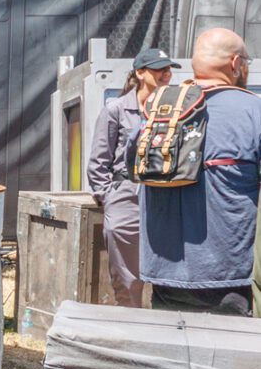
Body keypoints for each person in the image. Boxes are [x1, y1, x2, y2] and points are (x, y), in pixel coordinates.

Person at [140, 27, 261, 316]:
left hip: (163, 275)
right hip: (230, 279)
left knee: (172, 345)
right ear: (235, 63)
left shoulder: (158, 110)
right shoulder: (253, 111)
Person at [86, 47, 177, 306]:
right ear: (140, 73)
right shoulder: (116, 109)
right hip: (126, 193)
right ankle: (130, 319)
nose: (166, 74)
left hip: (165, 195)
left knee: (168, 269)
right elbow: (99, 161)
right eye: (159, 69)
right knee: (127, 277)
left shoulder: (174, 109)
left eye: (168, 69)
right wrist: (110, 197)